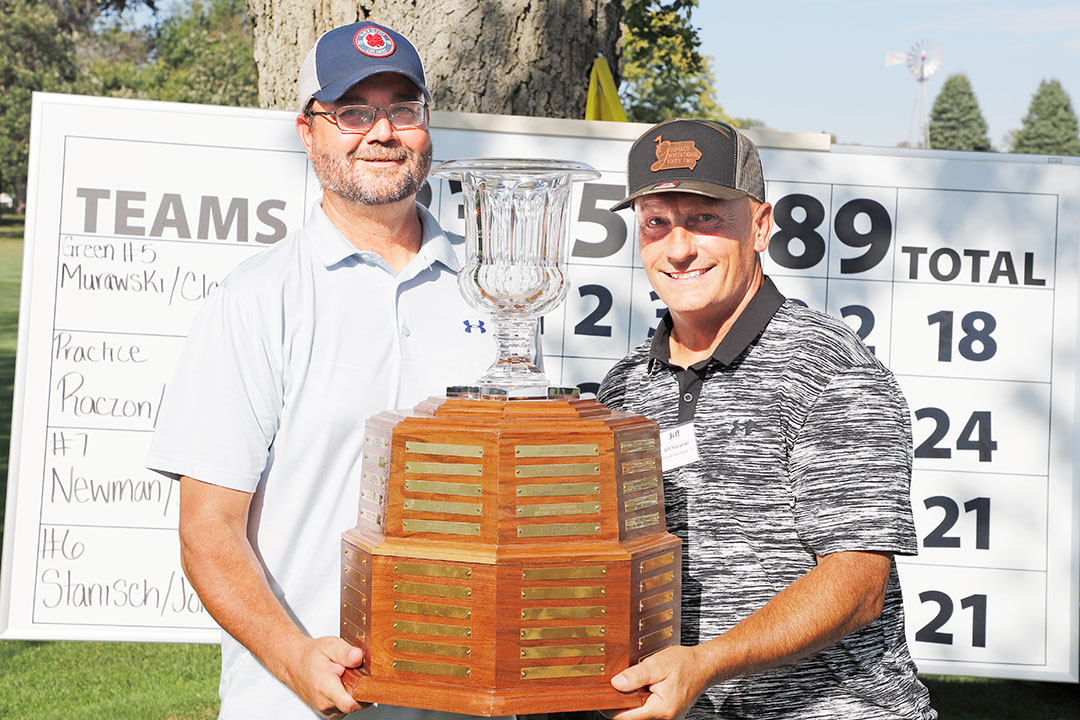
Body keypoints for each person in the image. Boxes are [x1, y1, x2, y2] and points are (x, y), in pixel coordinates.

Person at [146, 21, 502, 720]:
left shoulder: (495, 286)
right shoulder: (256, 300)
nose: (382, 131)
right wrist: (293, 656)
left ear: (427, 126)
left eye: (403, 108)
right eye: (352, 111)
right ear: (308, 132)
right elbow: (208, 528)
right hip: (299, 700)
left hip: (465, 697)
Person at [595, 119, 936, 719]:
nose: (679, 248)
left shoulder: (830, 369)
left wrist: (707, 662)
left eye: (705, 218)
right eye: (657, 222)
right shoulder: (624, 387)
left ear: (760, 226)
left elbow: (857, 584)